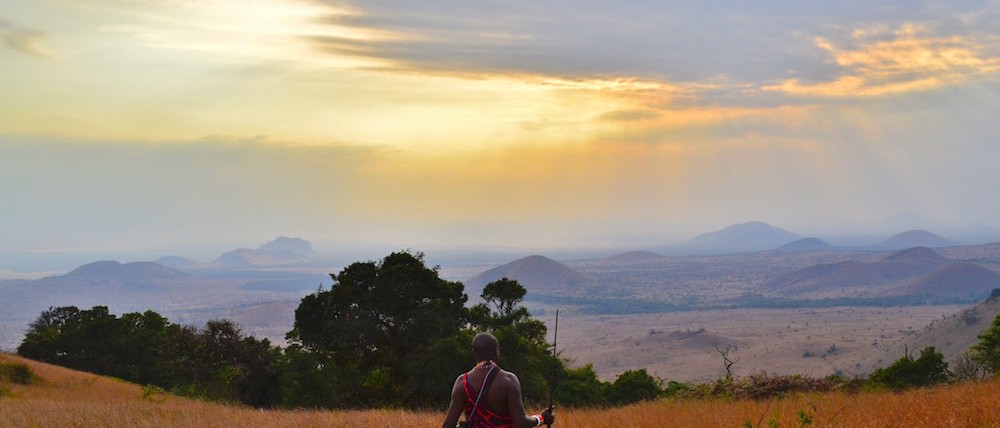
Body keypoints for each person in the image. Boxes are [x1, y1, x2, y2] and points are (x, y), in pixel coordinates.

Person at [442, 332, 555, 428]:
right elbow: (521, 423)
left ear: (474, 352)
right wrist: (542, 418)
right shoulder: (509, 380)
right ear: (496, 351)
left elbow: (448, 425)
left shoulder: (462, 382)